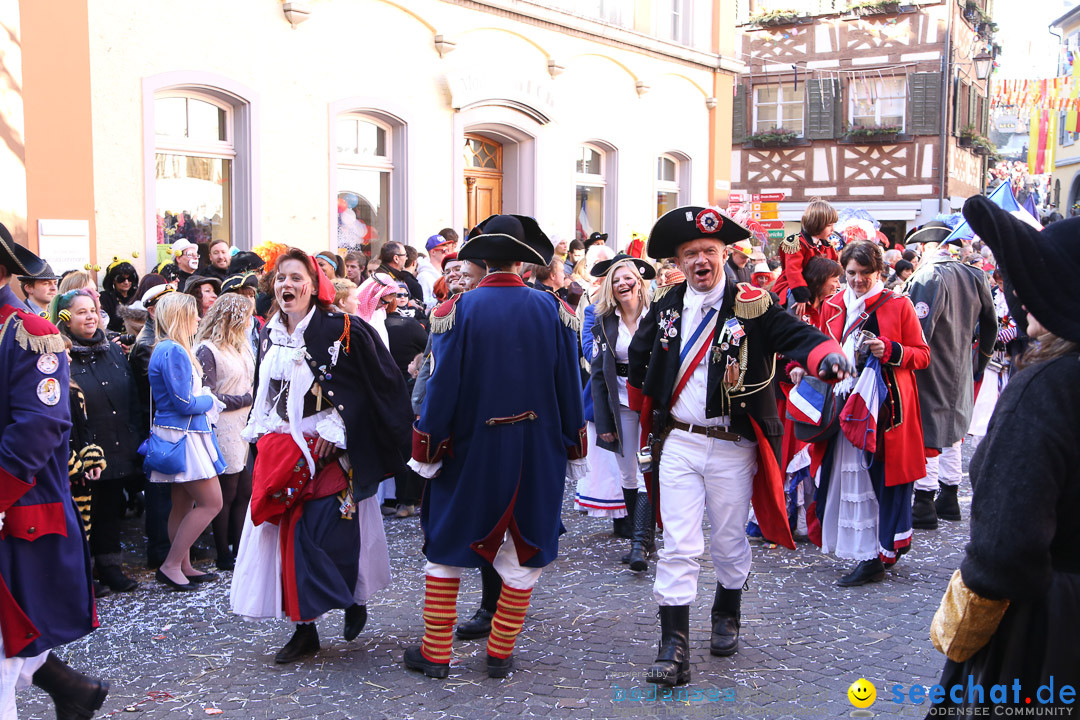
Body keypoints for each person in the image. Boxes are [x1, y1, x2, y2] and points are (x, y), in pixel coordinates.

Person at [627, 206, 849, 687]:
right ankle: (674, 645)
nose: (701, 260)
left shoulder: (753, 303)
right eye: (691, 254)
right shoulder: (665, 305)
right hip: (680, 443)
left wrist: (826, 356)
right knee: (680, 544)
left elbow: (797, 336)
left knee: (728, 542)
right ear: (680, 262)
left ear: (725, 253)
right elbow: (641, 356)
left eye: (709, 250)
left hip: (733, 444)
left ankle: (728, 607)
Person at [403, 214, 586, 680]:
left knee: (446, 544)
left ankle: (436, 653)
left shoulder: (455, 311)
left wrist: (427, 450)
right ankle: (500, 651)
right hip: (537, 448)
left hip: (471, 449)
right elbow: (569, 385)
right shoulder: (555, 309)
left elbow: (441, 392)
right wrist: (574, 448)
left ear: (481, 258)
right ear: (524, 262)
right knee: (526, 549)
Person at [925, 194, 1080, 714]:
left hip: (1050, 631)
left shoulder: (1049, 388)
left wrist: (962, 628)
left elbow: (1006, 546)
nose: (1024, 294)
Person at [231, 248, 412, 663]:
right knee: (287, 538)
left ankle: (351, 597)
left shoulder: (343, 327)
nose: (286, 285)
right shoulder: (270, 331)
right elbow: (267, 391)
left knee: (323, 535)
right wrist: (259, 432)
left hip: (327, 453)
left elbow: (379, 386)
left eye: (296, 278)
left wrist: (339, 428)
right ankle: (304, 628)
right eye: (280, 278)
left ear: (313, 285)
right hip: (281, 448)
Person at [0, 224, 109, 720]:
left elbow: (38, 429)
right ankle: (75, 691)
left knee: (9, 638)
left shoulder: (29, 333)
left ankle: (74, 691)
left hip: (16, 507)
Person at [804, 241, 930, 585]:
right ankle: (865, 550)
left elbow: (922, 355)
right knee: (846, 478)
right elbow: (817, 349)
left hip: (884, 412)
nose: (858, 280)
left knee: (876, 480)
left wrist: (889, 349)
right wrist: (805, 368)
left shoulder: (898, 305)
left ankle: (875, 554)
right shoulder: (830, 305)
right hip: (840, 408)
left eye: (865, 273)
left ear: (879, 273)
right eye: (851, 273)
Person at [903, 222, 996, 529]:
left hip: (929, 367)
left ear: (926, 248)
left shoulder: (929, 275)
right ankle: (949, 497)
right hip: (962, 365)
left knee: (928, 430)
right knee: (953, 431)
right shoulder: (975, 275)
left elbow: (919, 328)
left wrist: (908, 361)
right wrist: (980, 361)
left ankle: (925, 502)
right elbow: (991, 325)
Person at [52, 289, 144, 593]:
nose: (90, 316)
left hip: (116, 443)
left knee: (110, 508)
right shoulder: (60, 355)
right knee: (83, 514)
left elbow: (131, 395)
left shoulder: (114, 351)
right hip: (82, 451)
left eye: (93, 310)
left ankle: (110, 567)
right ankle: (85, 572)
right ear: (66, 319)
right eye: (81, 312)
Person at [147, 292, 226, 591]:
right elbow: (183, 401)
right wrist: (209, 399)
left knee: (183, 503)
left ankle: (182, 564)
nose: (198, 318)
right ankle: (171, 564)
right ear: (181, 316)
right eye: (193, 314)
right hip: (184, 434)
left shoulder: (169, 348)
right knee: (211, 502)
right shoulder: (174, 351)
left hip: (181, 433)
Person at [587, 253, 655, 571]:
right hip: (621, 405)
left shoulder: (657, 315)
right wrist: (603, 422)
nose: (622, 284)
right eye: (616, 280)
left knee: (646, 469)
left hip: (651, 404)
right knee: (628, 472)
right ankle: (642, 537)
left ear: (639, 282)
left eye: (627, 278)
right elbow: (600, 374)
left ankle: (639, 543)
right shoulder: (605, 320)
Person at [195, 294, 255, 571]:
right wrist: (243, 400)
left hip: (246, 425)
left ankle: (241, 546)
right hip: (224, 425)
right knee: (226, 492)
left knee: (245, 490)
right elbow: (207, 393)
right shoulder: (208, 349)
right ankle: (222, 552)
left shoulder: (242, 346)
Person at [772, 198, 840, 314]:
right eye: (829, 225)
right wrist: (801, 295)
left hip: (817, 290)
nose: (833, 229)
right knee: (794, 304)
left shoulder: (828, 247)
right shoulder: (796, 242)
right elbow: (793, 271)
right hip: (795, 287)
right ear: (817, 224)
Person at [98, 258, 140, 334]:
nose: (126, 282)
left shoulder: (137, 296)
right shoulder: (105, 298)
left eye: (130, 278)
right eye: (121, 279)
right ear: (113, 280)